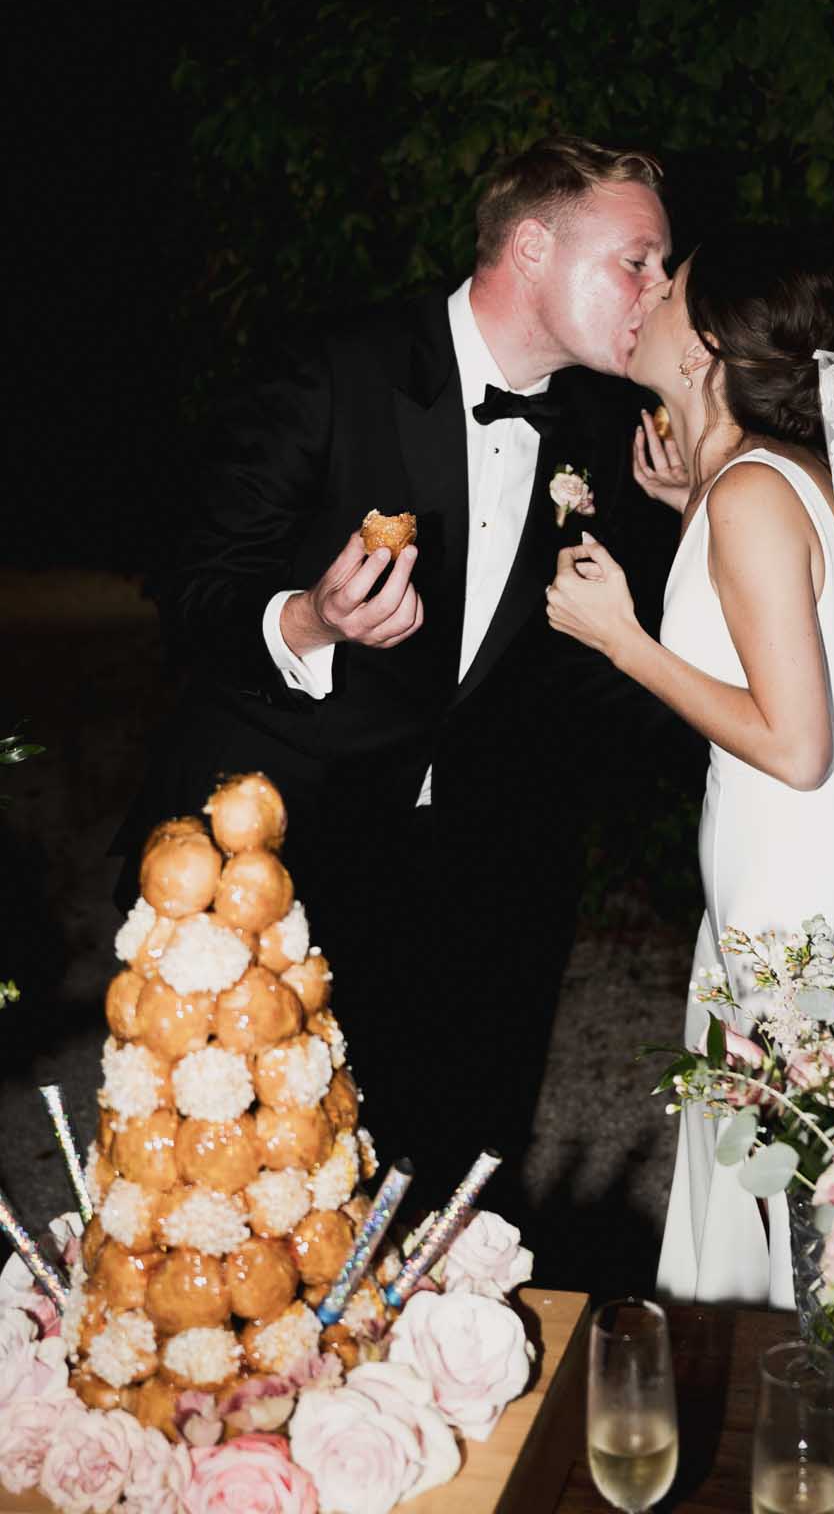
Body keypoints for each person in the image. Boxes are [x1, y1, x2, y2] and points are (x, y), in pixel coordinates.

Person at [117, 134, 673, 1207]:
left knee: (462, 1179)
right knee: (257, 1184)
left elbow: (601, 671)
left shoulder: (609, 429)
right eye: (636, 261)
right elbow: (192, 588)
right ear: (528, 246)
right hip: (284, 837)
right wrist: (311, 621)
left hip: (493, 860)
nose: (658, 289)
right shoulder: (332, 367)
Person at [546, 229, 834, 1304]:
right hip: (787, 874)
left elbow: (795, 745)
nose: (644, 290)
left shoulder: (750, 494)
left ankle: (823, 1407)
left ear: (703, 351)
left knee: (814, 1194)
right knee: (821, 1174)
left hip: (794, 896)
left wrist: (624, 641)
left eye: (667, 283)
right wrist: (685, 506)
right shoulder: (764, 478)